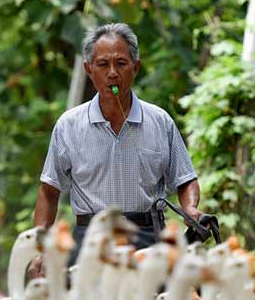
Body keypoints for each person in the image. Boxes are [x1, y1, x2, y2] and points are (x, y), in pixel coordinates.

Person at [30, 23, 201, 272]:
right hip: (90, 242)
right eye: (103, 64)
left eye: (121, 63)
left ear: (136, 67)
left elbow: (185, 179)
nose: (112, 73)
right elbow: (49, 191)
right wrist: (40, 248)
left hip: (148, 240)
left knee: (157, 296)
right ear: (89, 69)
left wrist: (190, 208)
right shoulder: (69, 125)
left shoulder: (159, 121)